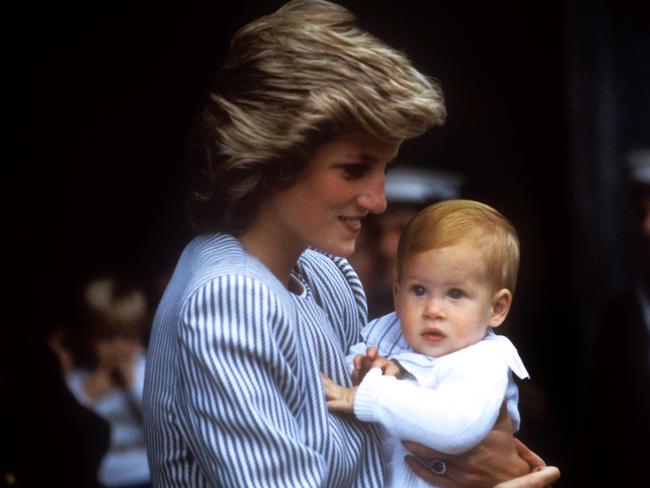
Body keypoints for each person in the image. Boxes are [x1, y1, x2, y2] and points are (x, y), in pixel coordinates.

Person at [142, 1, 560, 486]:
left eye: (386, 168)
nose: (378, 200)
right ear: (274, 157)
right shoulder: (228, 298)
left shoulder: (323, 272)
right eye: (353, 169)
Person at [323, 199, 533, 487]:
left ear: (496, 309)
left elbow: (455, 426)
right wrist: (364, 371)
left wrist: (365, 395)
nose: (433, 309)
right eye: (419, 290)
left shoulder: (485, 361)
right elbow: (338, 379)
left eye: (455, 294)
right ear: (398, 295)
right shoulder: (388, 335)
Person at [66, 275, 152, 488]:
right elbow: (67, 428)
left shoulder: (147, 368)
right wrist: (89, 394)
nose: (117, 347)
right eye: (106, 338)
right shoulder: (80, 379)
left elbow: (160, 417)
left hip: (148, 471)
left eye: (127, 337)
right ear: (88, 336)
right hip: (106, 477)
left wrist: (133, 385)